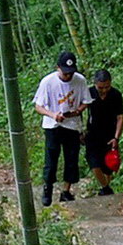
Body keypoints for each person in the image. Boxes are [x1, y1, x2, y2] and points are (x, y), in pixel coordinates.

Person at [32, 54, 89, 204]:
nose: (68, 75)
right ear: (58, 68)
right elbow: (38, 106)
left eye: (71, 72)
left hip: (72, 124)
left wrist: (78, 111)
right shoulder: (48, 82)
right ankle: (48, 188)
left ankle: (66, 190)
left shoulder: (80, 80)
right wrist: (53, 115)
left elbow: (86, 101)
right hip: (53, 125)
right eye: (65, 73)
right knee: (51, 158)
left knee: (71, 158)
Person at [84, 67, 123, 192]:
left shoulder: (115, 95)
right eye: (100, 88)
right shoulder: (89, 93)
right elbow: (81, 110)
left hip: (110, 134)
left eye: (106, 87)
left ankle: (106, 190)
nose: (104, 90)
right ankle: (105, 187)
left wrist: (116, 137)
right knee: (94, 163)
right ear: (95, 84)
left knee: (109, 165)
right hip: (92, 133)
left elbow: (120, 117)